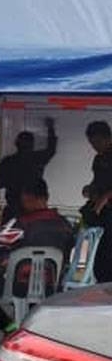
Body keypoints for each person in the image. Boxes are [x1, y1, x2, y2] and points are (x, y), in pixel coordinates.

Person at [0, 178, 74, 335]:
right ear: (46, 196)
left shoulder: (21, 224)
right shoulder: (64, 224)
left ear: (26, 198)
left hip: (18, 284)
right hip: (52, 284)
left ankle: (10, 328)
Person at [0, 118, 57, 222]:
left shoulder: (8, 162)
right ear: (32, 145)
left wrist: (11, 181)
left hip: (12, 209)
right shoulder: (37, 159)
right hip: (32, 210)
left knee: (8, 236)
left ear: (16, 144)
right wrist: (50, 128)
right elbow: (51, 150)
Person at [79, 120, 112, 282]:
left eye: (97, 142)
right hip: (100, 214)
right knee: (99, 255)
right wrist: (90, 190)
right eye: (92, 143)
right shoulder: (98, 159)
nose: (95, 146)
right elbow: (97, 181)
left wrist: (106, 197)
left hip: (109, 210)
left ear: (107, 138)